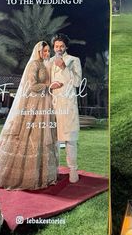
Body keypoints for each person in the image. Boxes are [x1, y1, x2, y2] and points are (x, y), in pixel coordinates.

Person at [0, 41, 63, 190]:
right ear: (38, 51)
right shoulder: (33, 64)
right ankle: (22, 177)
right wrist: (49, 86)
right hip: (33, 105)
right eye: (44, 51)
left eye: (47, 51)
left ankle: (42, 174)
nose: (47, 54)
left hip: (43, 104)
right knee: (27, 136)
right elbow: (32, 86)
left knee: (41, 136)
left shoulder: (44, 64)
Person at [50, 33, 82, 183]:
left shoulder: (74, 60)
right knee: (53, 138)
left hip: (68, 105)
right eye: (56, 46)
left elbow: (77, 83)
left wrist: (64, 67)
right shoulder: (49, 62)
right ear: (53, 47)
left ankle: (73, 170)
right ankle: (54, 170)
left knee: (70, 139)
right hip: (53, 105)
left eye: (61, 46)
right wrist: (51, 86)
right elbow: (46, 82)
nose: (59, 48)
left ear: (66, 47)